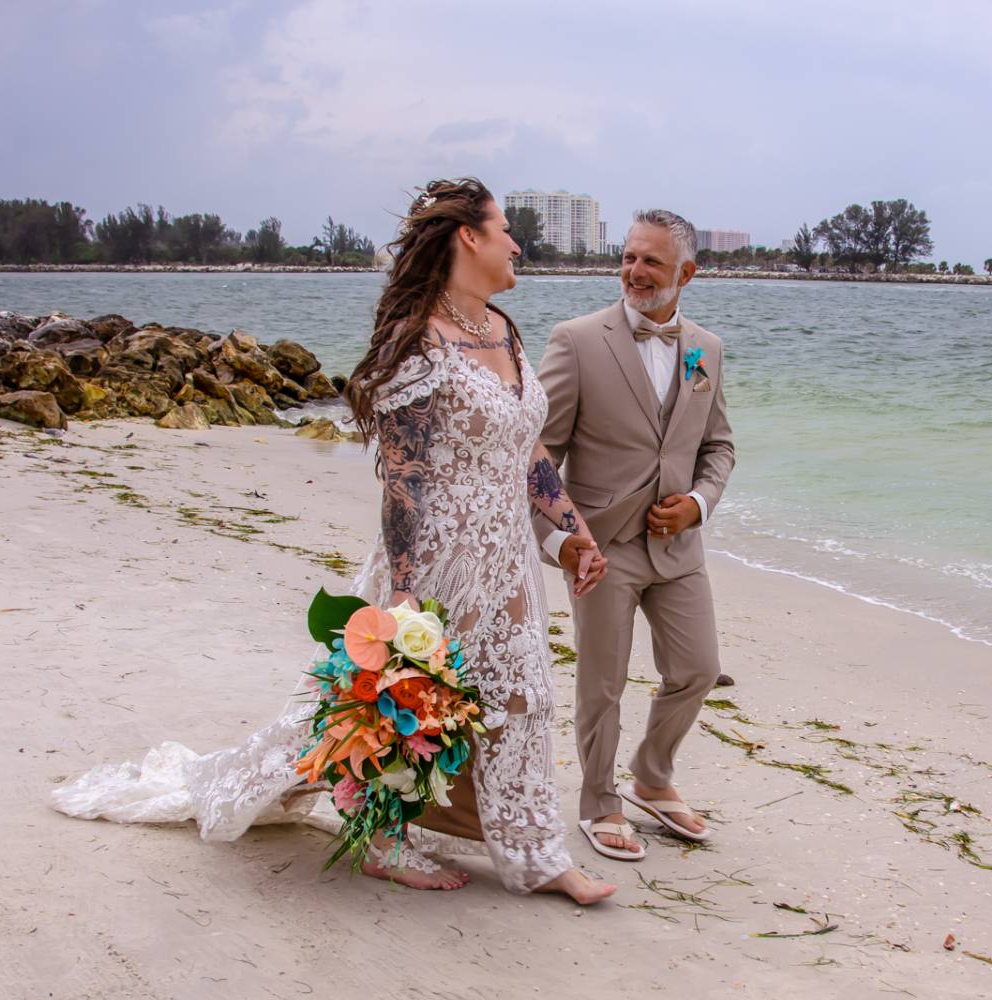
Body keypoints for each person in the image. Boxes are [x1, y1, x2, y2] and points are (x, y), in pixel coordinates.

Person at [52, 178, 616, 904]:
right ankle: (384, 838)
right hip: (437, 559)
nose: (517, 244)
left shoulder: (502, 330)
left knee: (521, 698)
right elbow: (404, 482)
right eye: (505, 229)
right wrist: (406, 591)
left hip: (507, 561)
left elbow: (527, 450)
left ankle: (538, 857)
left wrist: (573, 534)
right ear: (468, 238)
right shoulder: (418, 344)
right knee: (402, 702)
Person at [533, 209, 735, 859]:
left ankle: (653, 775)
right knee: (603, 682)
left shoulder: (706, 349)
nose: (635, 272)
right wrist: (564, 539)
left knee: (697, 668)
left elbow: (719, 446)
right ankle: (598, 799)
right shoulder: (577, 340)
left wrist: (698, 506)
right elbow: (538, 453)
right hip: (603, 545)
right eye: (628, 257)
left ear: (687, 273)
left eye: (651, 261)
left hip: (678, 548)